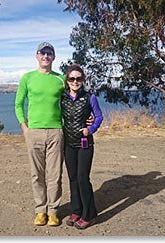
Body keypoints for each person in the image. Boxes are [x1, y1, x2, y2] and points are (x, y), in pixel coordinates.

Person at [14, 42, 65, 226]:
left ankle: (53, 211)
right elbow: (18, 104)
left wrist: (89, 117)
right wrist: (25, 128)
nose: (45, 56)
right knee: (37, 174)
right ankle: (40, 210)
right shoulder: (27, 78)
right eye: (42, 53)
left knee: (55, 174)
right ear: (37, 56)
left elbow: (73, 100)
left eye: (49, 53)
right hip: (34, 132)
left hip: (56, 132)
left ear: (54, 57)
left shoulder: (61, 79)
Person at [61, 64, 103, 230]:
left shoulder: (89, 97)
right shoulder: (62, 97)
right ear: (67, 80)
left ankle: (89, 215)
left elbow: (99, 117)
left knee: (82, 179)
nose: (75, 81)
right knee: (72, 179)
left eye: (78, 78)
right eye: (72, 78)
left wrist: (90, 129)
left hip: (85, 144)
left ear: (83, 80)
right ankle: (76, 210)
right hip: (68, 144)